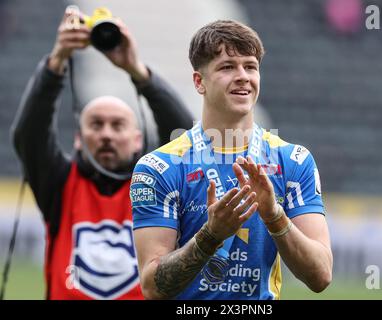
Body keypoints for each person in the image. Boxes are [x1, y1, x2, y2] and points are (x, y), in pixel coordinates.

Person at [131, 20, 332, 300]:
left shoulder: (293, 161)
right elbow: (152, 287)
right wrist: (210, 236)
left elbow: (321, 275)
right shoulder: (159, 167)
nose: (243, 76)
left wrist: (275, 217)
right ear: (199, 82)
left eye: (250, 66)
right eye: (227, 67)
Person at [11, 7, 193, 300]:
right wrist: (57, 60)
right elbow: (28, 134)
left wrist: (138, 71)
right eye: (96, 125)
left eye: (117, 125)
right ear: (79, 139)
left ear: (137, 140)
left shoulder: (156, 185)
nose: (106, 133)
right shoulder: (59, 183)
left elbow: (184, 137)